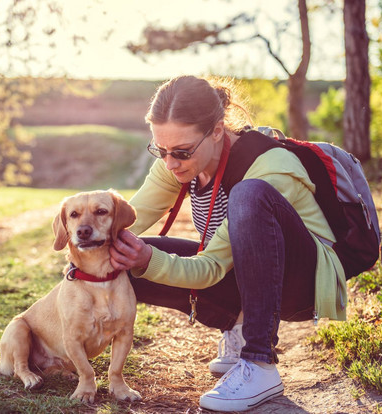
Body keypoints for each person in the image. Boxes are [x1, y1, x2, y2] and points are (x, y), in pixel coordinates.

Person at [109, 75, 347, 412]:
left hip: (301, 285)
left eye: (181, 151)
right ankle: (237, 325)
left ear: (217, 131)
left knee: (248, 195)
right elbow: (124, 221)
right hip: (242, 273)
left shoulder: (269, 167)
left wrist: (149, 259)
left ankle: (260, 362)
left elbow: (210, 268)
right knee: (118, 255)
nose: (170, 162)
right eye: (160, 150)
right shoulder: (176, 163)